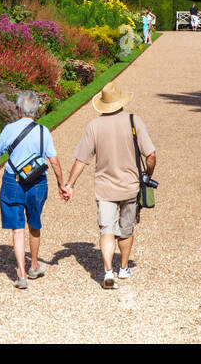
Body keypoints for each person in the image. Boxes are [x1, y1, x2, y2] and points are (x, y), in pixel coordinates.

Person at [63, 81, 157, 289]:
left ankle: (107, 271)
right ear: (121, 101)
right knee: (126, 228)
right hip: (130, 186)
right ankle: (123, 267)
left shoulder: (94, 126)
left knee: (106, 229)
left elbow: (81, 160)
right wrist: (147, 174)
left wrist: (69, 184)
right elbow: (150, 155)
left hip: (105, 188)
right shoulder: (134, 121)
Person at [0, 91, 67, 288]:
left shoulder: (9, 129)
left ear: (18, 109)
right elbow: (54, 161)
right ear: (36, 111)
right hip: (37, 182)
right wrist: (61, 184)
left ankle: (21, 274)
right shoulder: (43, 131)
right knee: (34, 224)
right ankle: (33, 265)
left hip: (13, 182)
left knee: (17, 229)